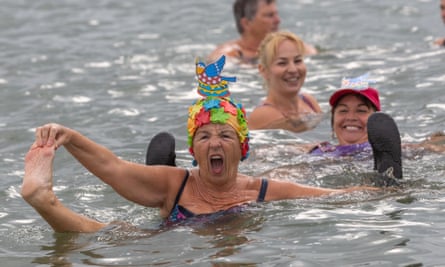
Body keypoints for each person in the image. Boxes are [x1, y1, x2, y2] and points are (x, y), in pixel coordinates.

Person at [21, 56, 387, 233]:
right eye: (205, 137)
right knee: (116, 234)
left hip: (227, 240)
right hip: (173, 243)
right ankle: (44, 201)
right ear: (193, 150)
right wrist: (69, 137)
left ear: (242, 149)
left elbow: (329, 197)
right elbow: (113, 167)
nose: (215, 142)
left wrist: (387, 187)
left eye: (226, 135)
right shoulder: (175, 182)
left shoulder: (264, 190)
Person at [247, 31, 323, 133]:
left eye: (297, 61)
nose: (293, 69)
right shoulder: (263, 114)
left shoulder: (309, 101)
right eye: (282, 63)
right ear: (264, 70)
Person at [207, 0, 317, 64]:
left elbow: (313, 55)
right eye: (269, 15)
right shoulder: (228, 54)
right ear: (246, 23)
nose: (278, 20)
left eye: (276, 14)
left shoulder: (293, 47)